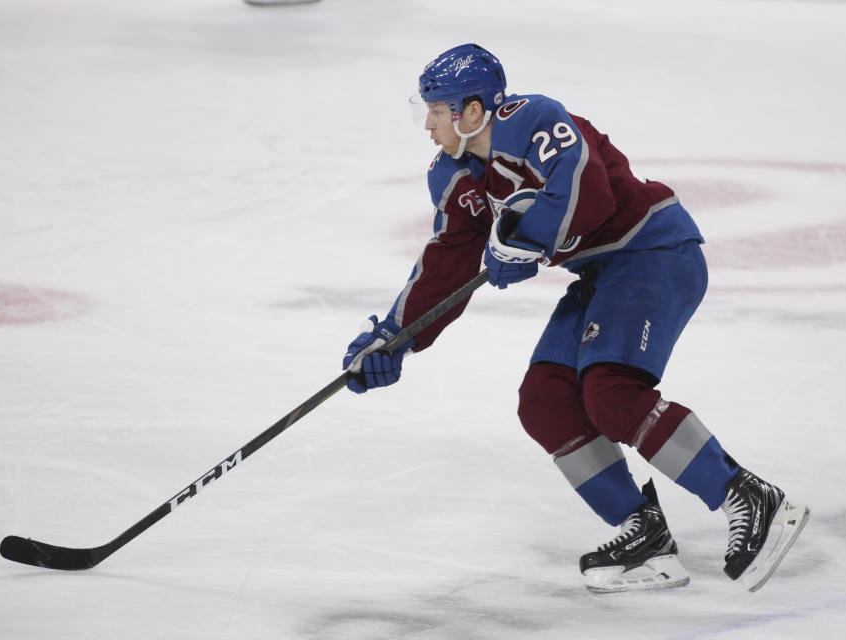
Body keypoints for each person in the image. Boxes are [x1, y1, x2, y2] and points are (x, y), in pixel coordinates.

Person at [341, 43, 810, 593]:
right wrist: (395, 338)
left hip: (653, 253)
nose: (428, 124)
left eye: (437, 110)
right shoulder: (453, 175)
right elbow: (447, 259)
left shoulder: (534, 119)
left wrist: (523, 238)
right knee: (545, 399)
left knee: (610, 392)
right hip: (601, 276)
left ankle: (750, 498)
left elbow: (587, 192)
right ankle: (644, 532)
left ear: (473, 111)